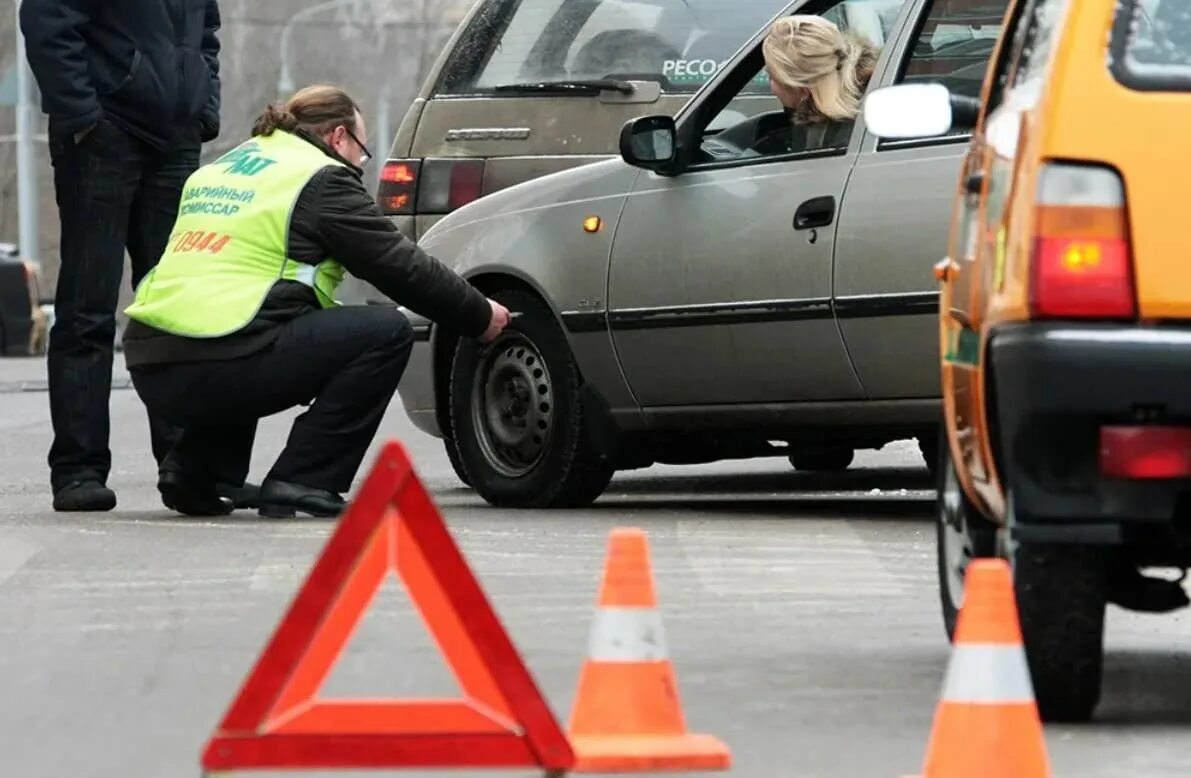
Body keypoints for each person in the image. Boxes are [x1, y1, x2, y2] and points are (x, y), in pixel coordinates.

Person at [121, 85, 511, 519]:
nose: (361, 163)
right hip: (222, 355)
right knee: (385, 333)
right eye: (362, 150)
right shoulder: (319, 178)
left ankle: (198, 471)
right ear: (338, 137)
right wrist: (478, 314)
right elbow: (398, 266)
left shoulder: (225, 167)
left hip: (152, 359)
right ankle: (305, 478)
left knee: (257, 320)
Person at [19, 0, 224, 513]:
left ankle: (182, 467)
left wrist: (204, 109)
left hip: (175, 141)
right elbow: (46, 22)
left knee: (176, 309)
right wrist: (82, 115)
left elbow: (207, 34)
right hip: (102, 137)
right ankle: (78, 470)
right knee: (88, 310)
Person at [714, 15, 879, 157]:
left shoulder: (842, 138)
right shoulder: (864, 110)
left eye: (772, 77)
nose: (772, 88)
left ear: (802, 90)